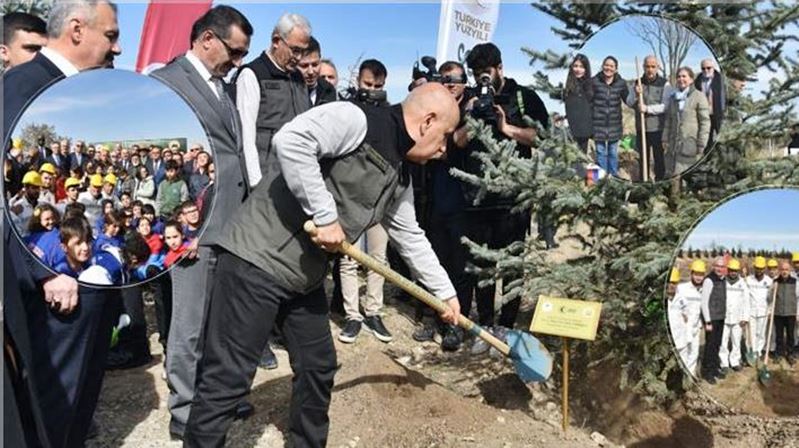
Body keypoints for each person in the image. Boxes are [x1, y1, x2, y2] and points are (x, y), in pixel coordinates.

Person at [184, 83, 461, 447]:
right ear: (427, 122)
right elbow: (292, 140)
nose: (442, 151)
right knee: (228, 379)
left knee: (318, 365)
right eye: (443, 138)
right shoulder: (356, 119)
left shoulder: (400, 172)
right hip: (256, 260)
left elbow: (410, 235)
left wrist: (445, 293)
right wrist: (326, 215)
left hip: (304, 276)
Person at [150, 5, 254, 440]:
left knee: (218, 324)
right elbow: (169, 168)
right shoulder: (165, 84)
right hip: (194, 232)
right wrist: (181, 229)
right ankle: (185, 413)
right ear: (207, 38)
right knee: (188, 328)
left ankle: (212, 401)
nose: (238, 62)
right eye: (234, 51)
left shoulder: (222, 87)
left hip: (229, 226)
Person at [461, 42, 549, 354]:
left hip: (514, 197)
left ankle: (507, 328)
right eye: (476, 74)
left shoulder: (524, 97)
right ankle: (485, 326)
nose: (481, 80)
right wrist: (471, 116)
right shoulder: (470, 99)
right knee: (483, 264)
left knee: (512, 265)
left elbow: (542, 136)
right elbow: (456, 141)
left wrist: (506, 127)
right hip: (478, 197)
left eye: (486, 73)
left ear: (499, 67)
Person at [337, 57, 393, 345]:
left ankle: (373, 311)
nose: (372, 90)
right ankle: (352, 315)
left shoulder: (389, 114)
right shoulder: (346, 109)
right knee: (348, 259)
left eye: (378, 86)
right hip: (351, 198)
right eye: (367, 84)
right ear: (358, 81)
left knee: (378, 259)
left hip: (379, 201)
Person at [236, 12, 311, 186]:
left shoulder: (299, 78)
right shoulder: (252, 74)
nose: (299, 58)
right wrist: (256, 184)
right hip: (266, 180)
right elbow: (246, 135)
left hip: (299, 177)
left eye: (303, 51)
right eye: (295, 50)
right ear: (277, 41)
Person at [627, 55, 672, 181]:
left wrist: (647, 109)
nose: (650, 69)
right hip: (641, 129)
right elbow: (629, 102)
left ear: (658, 67)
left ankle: (659, 183)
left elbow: (665, 106)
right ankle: (644, 183)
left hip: (657, 129)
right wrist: (636, 94)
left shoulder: (665, 84)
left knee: (659, 159)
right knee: (643, 159)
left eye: (653, 66)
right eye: (647, 66)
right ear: (643, 67)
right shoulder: (637, 83)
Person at [663, 67, 711, 176]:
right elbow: (668, 120)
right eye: (679, 77)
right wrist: (665, 138)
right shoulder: (673, 98)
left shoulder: (699, 96)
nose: (681, 79)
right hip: (673, 145)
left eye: (684, 76)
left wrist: (702, 143)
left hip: (690, 144)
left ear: (691, 79)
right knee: (672, 175)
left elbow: (705, 122)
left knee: (688, 175)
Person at [591, 55, 629, 177]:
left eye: (611, 66)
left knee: (613, 152)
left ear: (616, 69)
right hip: (598, 124)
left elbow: (628, 100)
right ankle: (601, 180)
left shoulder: (621, 83)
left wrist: (637, 95)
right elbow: (587, 100)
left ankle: (613, 178)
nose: (608, 68)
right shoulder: (594, 81)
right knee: (600, 152)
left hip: (614, 124)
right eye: (606, 65)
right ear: (602, 66)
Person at [669, 260, 705, 375]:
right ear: (691, 274)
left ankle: (690, 376)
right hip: (683, 328)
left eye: (701, 275)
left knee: (694, 353)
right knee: (683, 352)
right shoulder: (682, 288)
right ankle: (680, 376)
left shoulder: (704, 290)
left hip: (695, 327)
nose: (699, 277)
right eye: (696, 274)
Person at [719, 259, 750, 373]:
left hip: (738, 319)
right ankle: (724, 363)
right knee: (723, 341)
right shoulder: (722, 282)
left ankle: (735, 361)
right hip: (724, 317)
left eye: (735, 271)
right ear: (728, 270)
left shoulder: (742, 284)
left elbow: (746, 302)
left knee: (736, 341)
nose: (733, 272)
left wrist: (745, 318)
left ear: (738, 271)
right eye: (731, 270)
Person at [700, 258, 727, 384]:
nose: (719, 269)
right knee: (710, 346)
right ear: (713, 266)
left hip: (721, 317)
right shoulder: (709, 280)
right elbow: (704, 302)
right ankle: (707, 372)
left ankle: (715, 367)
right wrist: (708, 321)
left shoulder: (722, 279)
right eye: (717, 266)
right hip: (712, 319)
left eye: (722, 266)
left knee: (717, 344)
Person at [563, 53, 593, 153]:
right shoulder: (568, 87)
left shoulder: (590, 86)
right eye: (575, 66)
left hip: (584, 132)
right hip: (570, 132)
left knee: (581, 160)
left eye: (581, 67)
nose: (578, 69)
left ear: (586, 69)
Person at [694, 59, 725, 152]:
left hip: (718, 113)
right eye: (703, 68)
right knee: (707, 140)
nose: (706, 70)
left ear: (713, 67)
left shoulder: (720, 79)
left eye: (708, 68)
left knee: (722, 139)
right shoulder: (698, 80)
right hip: (704, 114)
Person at [297, 36, 337, 106]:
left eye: (315, 65)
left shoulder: (328, 90)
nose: (311, 72)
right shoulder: (285, 90)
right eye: (304, 66)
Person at [746, 256, 773, 358]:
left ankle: (759, 350)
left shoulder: (769, 281)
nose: (759, 270)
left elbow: (770, 299)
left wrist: (769, 311)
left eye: (761, 268)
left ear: (764, 268)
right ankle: (752, 350)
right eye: (757, 268)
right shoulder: (748, 280)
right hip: (751, 311)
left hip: (764, 311)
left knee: (761, 333)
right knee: (751, 333)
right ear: (754, 268)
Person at [773, 261, 798, 365]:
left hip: (790, 313)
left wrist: (797, 312)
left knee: (790, 335)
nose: (784, 271)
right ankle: (779, 353)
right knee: (778, 335)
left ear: (790, 270)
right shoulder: (775, 281)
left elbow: (797, 297)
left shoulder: (795, 281)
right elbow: (770, 298)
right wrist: (772, 290)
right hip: (778, 313)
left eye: (786, 269)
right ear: (779, 270)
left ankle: (790, 354)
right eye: (782, 269)